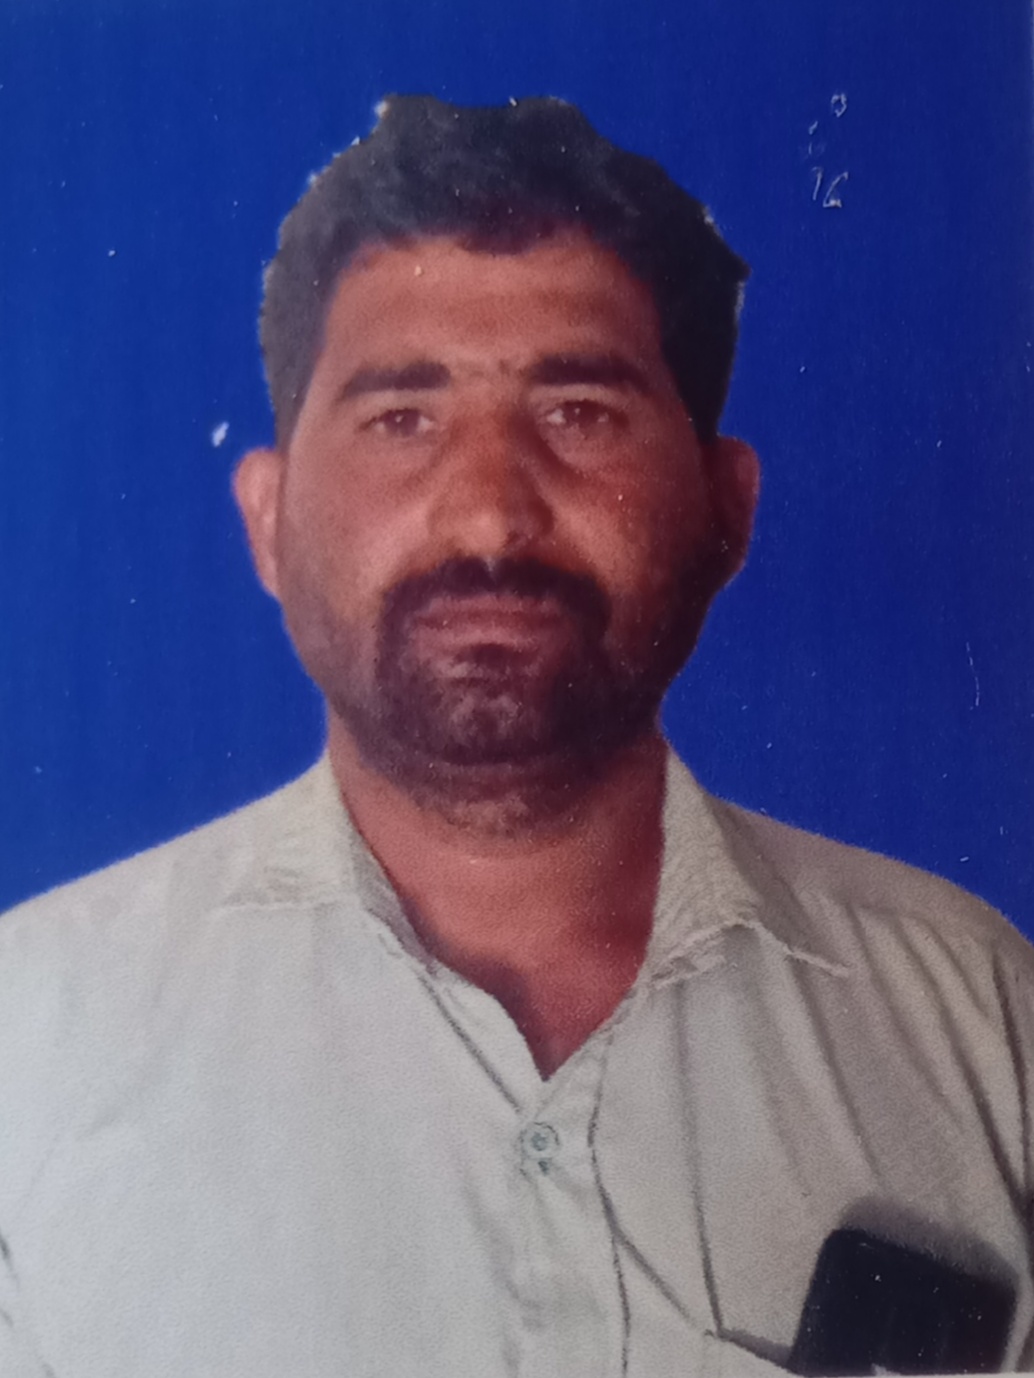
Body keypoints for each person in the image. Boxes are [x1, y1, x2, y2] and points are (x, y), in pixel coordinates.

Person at [1, 95, 1031, 1378]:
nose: (489, 516)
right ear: (267, 522)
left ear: (725, 510)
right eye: (401, 418)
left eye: (578, 411)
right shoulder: (31, 1038)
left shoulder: (981, 1022)